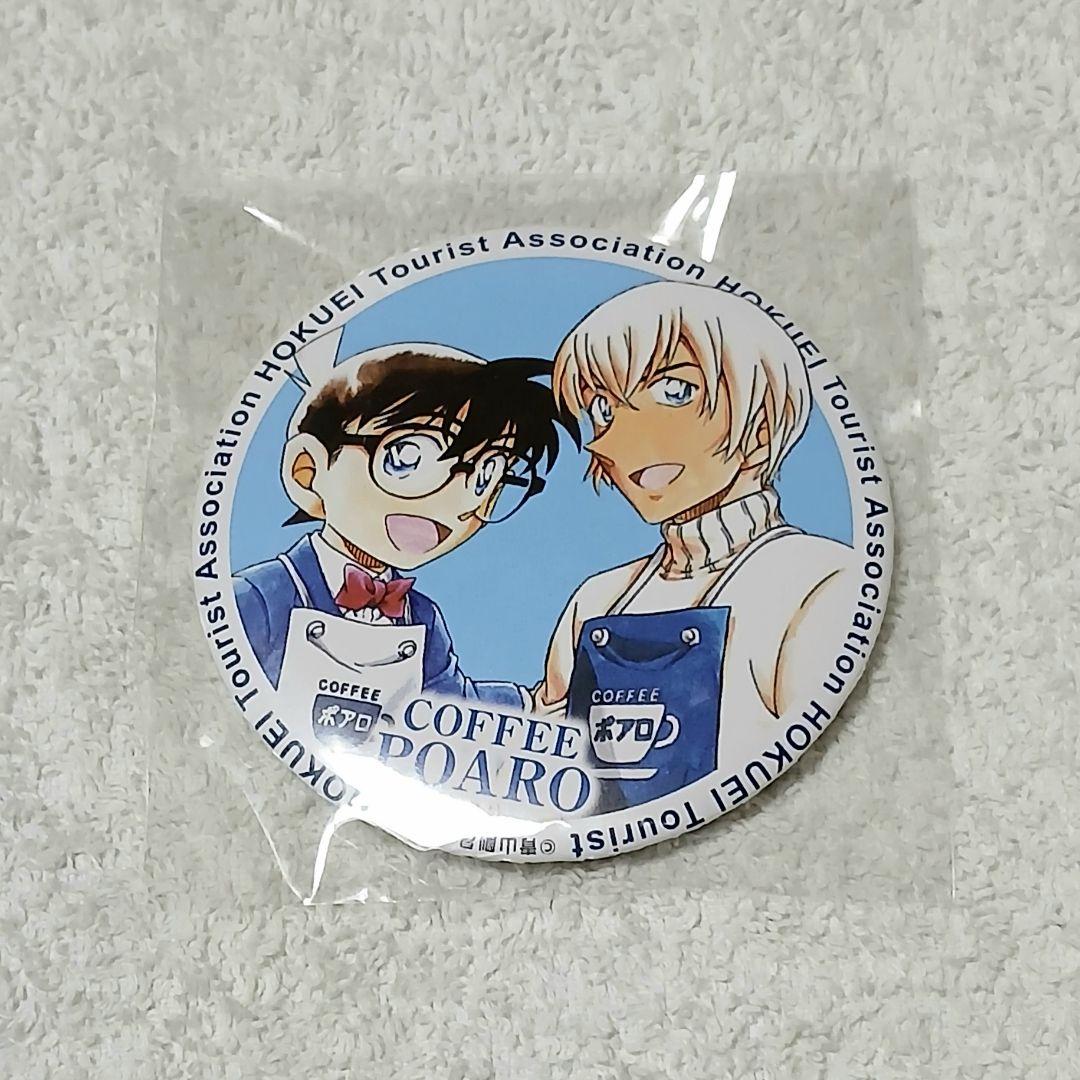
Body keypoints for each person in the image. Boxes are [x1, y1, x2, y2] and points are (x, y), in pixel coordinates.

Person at [533, 281, 853, 804]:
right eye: (603, 409)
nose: (615, 438)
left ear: (761, 422)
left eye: (674, 391)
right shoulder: (597, 600)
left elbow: (826, 778)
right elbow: (545, 757)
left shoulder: (821, 582)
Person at [235, 342, 575, 709]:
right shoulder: (260, 597)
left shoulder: (421, 617)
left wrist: (533, 702)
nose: (455, 501)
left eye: (484, 479)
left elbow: (452, 705)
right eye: (408, 457)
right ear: (308, 471)